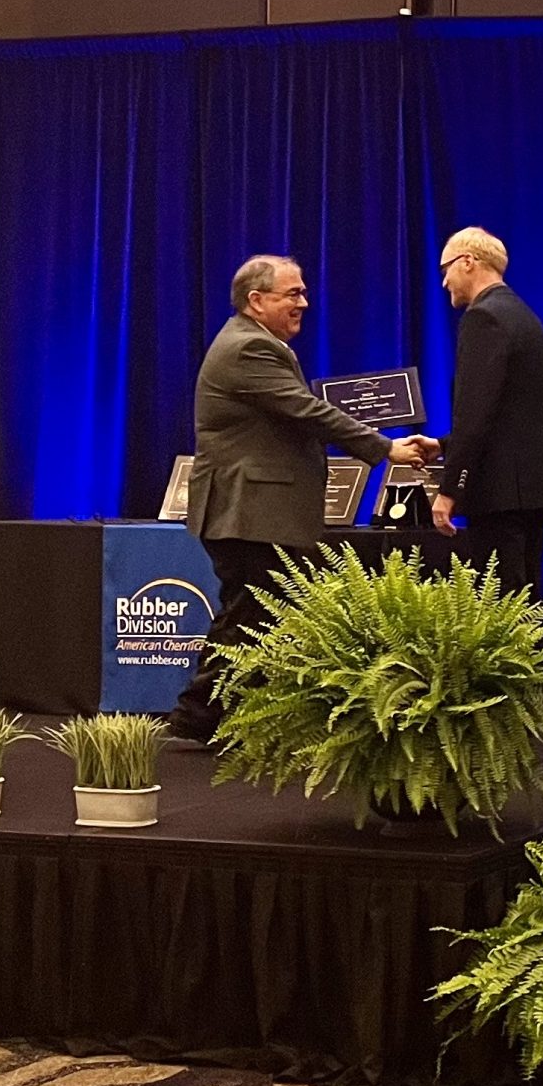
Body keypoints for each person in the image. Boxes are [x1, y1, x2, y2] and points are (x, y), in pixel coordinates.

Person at [170, 255, 435, 743]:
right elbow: (307, 411)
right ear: (256, 301)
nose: (304, 303)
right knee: (250, 614)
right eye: (292, 293)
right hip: (248, 510)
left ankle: (214, 716)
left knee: (254, 614)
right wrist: (386, 448)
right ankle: (200, 715)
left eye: (303, 292)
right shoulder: (249, 347)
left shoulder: (254, 342)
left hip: (253, 510)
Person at [431, 227, 543, 594]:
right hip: (532, 490)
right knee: (525, 605)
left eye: (446, 269)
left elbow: (474, 415)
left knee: (498, 608)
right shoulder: (524, 316)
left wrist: (449, 490)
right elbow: (510, 412)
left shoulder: (483, 318)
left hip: (498, 495)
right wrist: (442, 445)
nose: (444, 282)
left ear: (468, 262)